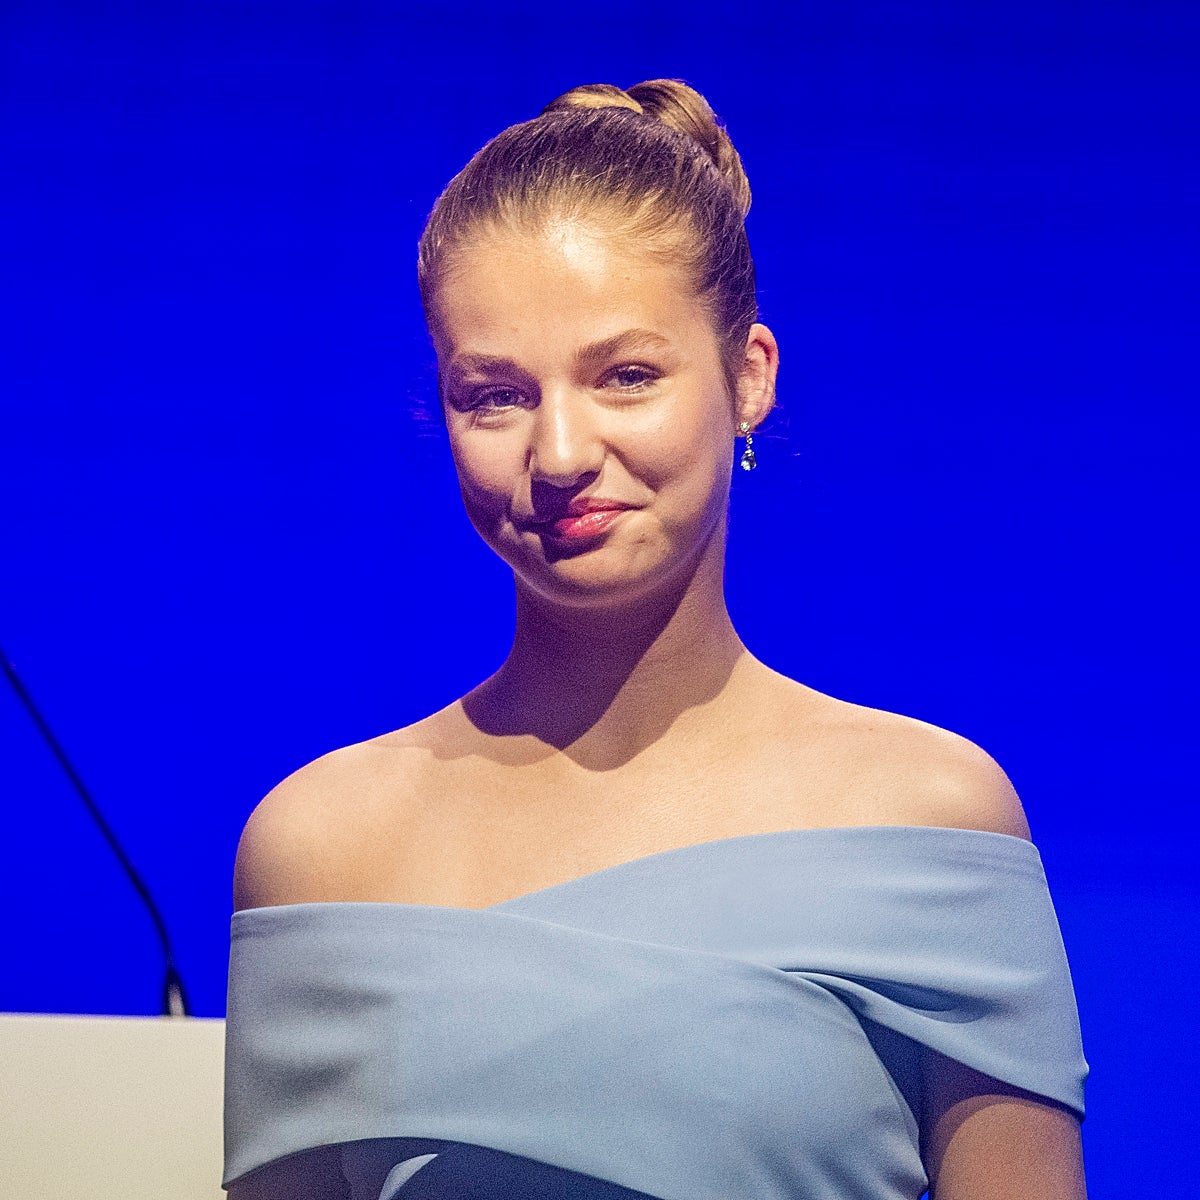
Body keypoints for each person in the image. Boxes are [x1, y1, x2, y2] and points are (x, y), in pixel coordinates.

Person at [223, 80, 1087, 1200]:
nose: (561, 452)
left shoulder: (932, 819)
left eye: (625, 376)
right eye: (493, 395)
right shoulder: (318, 845)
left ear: (749, 378)